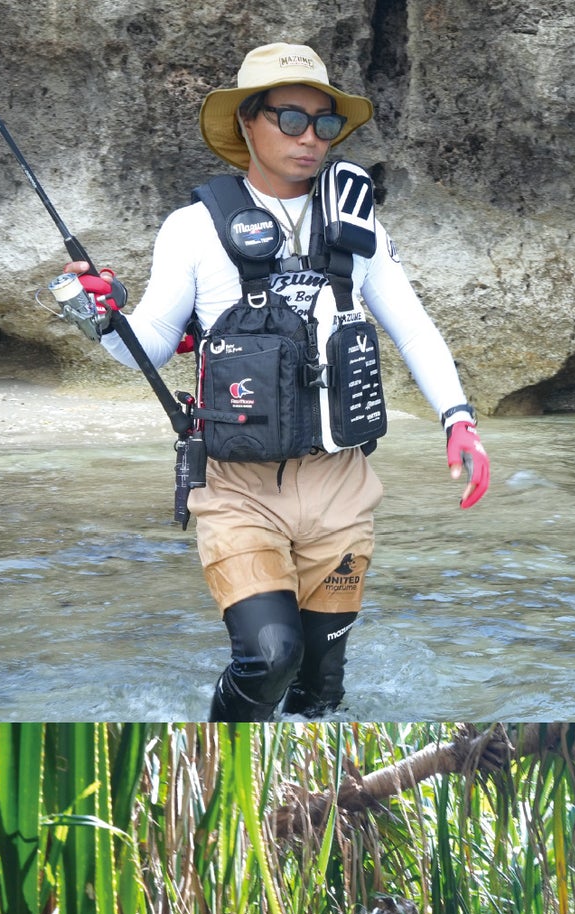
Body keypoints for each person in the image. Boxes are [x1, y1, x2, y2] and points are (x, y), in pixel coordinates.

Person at [64, 42, 489, 720]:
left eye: (325, 124)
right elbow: (143, 347)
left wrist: (458, 420)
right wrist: (100, 317)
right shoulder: (193, 229)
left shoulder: (358, 225)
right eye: (291, 119)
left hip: (340, 485)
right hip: (237, 489)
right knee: (268, 657)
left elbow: (413, 327)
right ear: (247, 123)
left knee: (320, 694)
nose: (310, 138)